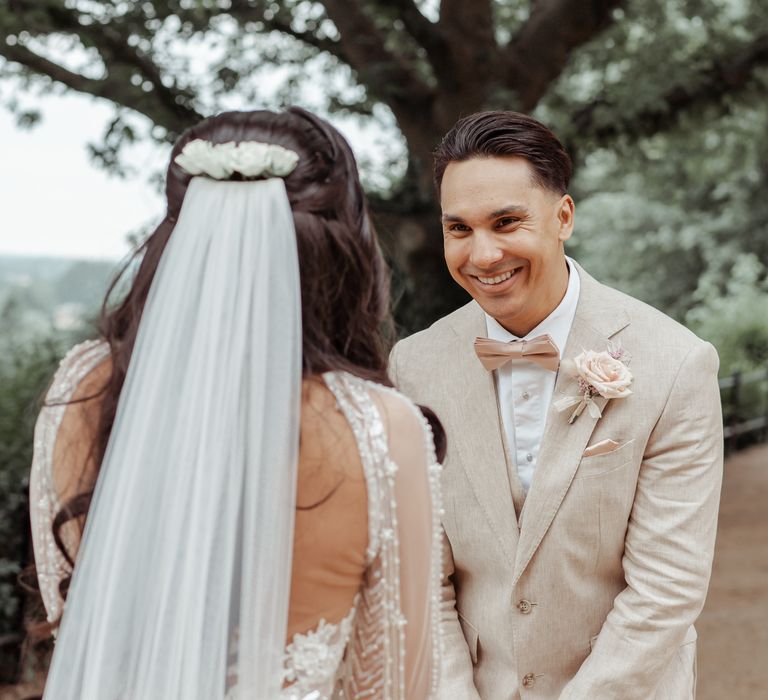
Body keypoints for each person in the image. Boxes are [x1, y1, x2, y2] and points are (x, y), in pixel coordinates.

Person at [29, 108, 443, 699]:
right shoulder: (378, 429)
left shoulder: (82, 387)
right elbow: (400, 684)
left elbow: (75, 627)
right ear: (345, 239)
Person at [389, 111, 723, 699]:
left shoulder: (676, 363)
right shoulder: (414, 366)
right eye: (459, 229)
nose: (483, 254)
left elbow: (666, 588)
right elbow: (422, 577)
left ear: (563, 216)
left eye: (506, 222)